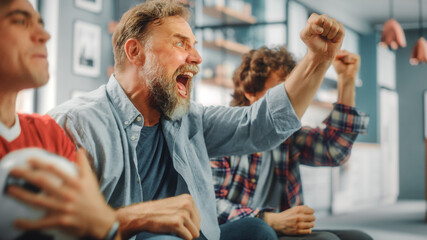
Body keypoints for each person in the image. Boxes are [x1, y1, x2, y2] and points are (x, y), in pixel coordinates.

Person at [49, 0, 345, 239]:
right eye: (181, 44)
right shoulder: (76, 124)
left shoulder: (191, 119)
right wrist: (134, 220)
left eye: (195, 45)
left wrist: (318, 59)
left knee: (256, 230)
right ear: (136, 52)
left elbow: (263, 124)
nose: (197, 58)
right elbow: (43, 226)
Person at [210, 46, 371, 240]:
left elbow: (334, 151)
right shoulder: (223, 135)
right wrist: (268, 219)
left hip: (282, 231)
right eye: (282, 91)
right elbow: (210, 206)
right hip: (244, 230)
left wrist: (346, 80)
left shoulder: (287, 135)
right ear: (249, 91)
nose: (291, 99)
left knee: (359, 238)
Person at [0, 0, 120, 239]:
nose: (44, 35)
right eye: (20, 20)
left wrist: (107, 227)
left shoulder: (49, 134)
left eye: (41, 24)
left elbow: (93, 227)